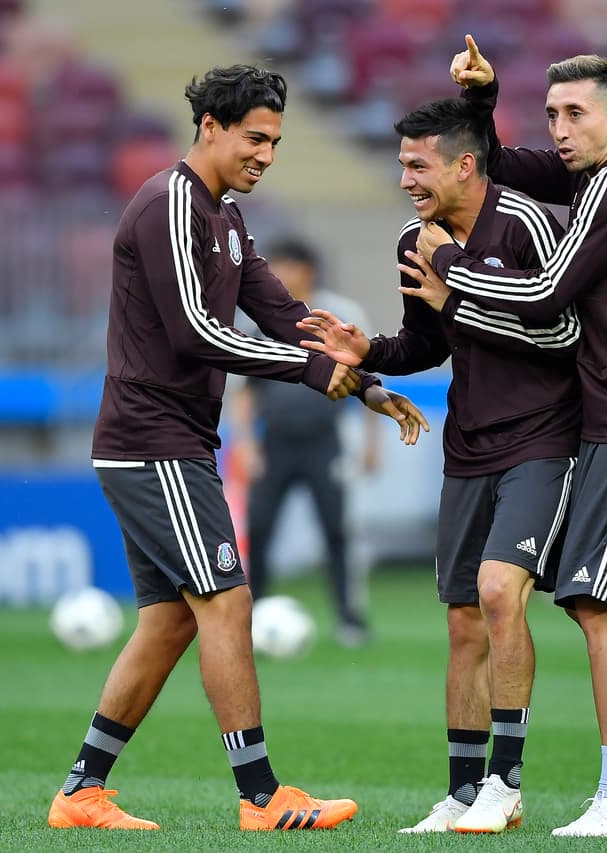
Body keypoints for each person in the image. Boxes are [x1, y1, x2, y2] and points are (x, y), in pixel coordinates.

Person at [45, 63, 428, 834]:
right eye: (255, 137)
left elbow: (282, 313)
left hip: (169, 440)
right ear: (210, 127)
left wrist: (365, 382)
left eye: (276, 141)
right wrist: (314, 372)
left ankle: (81, 792)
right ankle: (261, 795)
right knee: (226, 601)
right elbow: (197, 332)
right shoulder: (168, 203)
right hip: (153, 440)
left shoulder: (223, 214)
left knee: (171, 620)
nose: (267, 154)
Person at [410, 37, 607, 836]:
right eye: (552, 112)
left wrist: (454, 270)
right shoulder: (598, 173)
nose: (559, 128)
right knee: (594, 598)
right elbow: (500, 165)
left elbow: (549, 293)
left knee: (597, 604)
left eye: (575, 113)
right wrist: (483, 102)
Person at [297, 97, 581, 834]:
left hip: (541, 440)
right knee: (462, 621)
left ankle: (506, 783)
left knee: (499, 593)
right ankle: (462, 791)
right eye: (401, 165)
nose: (405, 180)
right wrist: (370, 353)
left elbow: (562, 336)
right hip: (469, 445)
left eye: (418, 166)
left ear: (464, 165)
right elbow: (428, 342)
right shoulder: (412, 239)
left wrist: (459, 294)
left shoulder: (525, 224)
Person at [227, 236, 380, 646]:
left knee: (337, 531)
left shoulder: (341, 315)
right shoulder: (259, 321)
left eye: (283, 266)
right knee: (259, 527)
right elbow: (245, 390)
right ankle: (254, 615)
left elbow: (367, 379)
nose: (276, 275)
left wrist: (372, 443)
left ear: (306, 270)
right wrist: (246, 443)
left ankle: (350, 619)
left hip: (326, 441)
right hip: (275, 441)